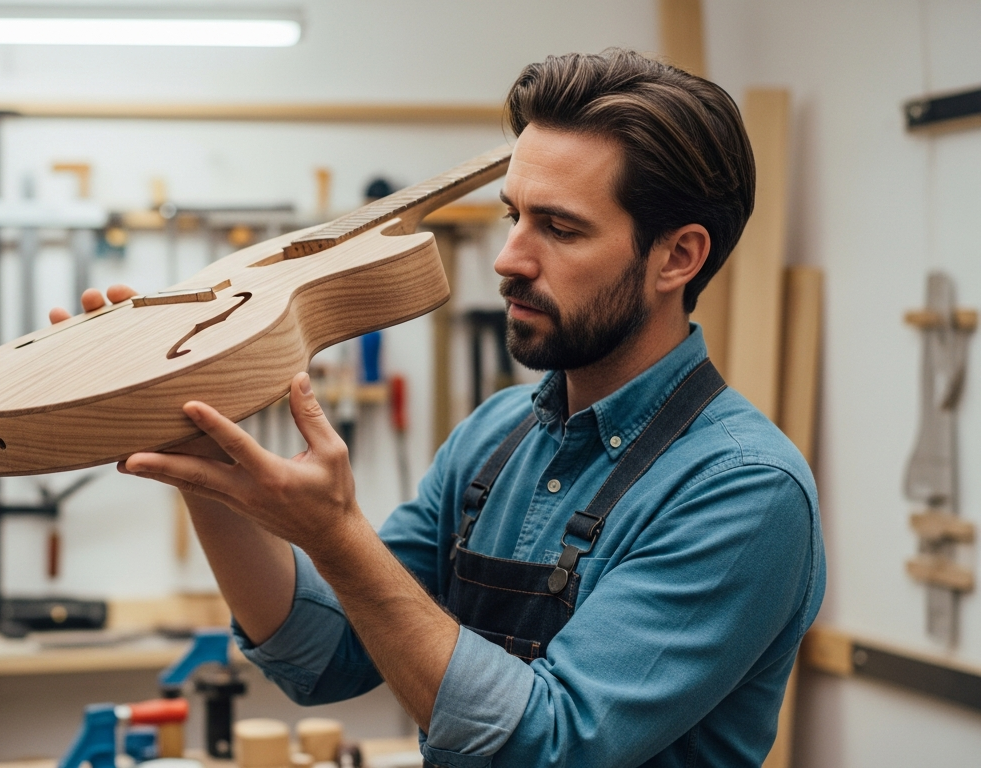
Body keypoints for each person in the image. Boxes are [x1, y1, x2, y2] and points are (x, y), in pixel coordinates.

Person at [50, 50, 825, 768]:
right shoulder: (496, 437)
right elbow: (324, 655)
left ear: (678, 257)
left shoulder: (743, 491)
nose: (510, 258)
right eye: (512, 215)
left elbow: (549, 745)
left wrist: (339, 536)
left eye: (559, 228)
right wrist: (200, 456)